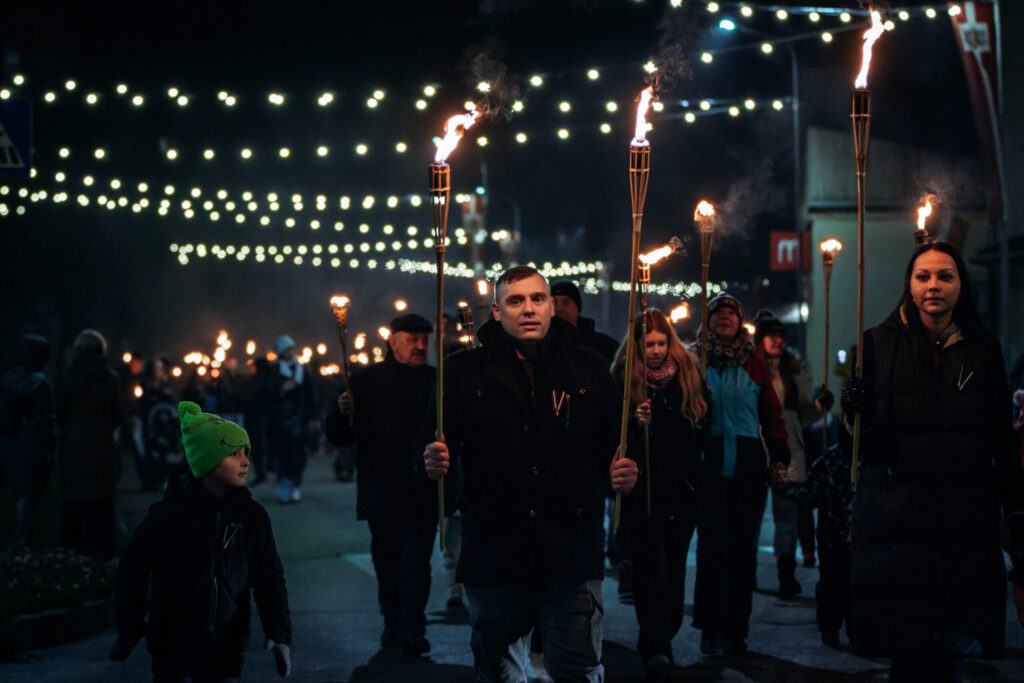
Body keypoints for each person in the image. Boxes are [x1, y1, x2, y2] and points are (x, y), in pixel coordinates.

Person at [422, 265, 638, 682]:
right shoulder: (464, 370)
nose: (528, 309)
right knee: (500, 672)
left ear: (552, 307)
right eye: (515, 300)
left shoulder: (588, 368)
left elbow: (617, 444)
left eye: (537, 299)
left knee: (578, 670)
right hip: (495, 550)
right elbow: (429, 445)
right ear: (496, 311)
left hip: (570, 551)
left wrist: (625, 472)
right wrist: (430, 463)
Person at [842, 242, 1024, 681]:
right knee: (908, 648)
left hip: (962, 519)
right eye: (923, 276)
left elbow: (1001, 437)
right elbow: (858, 447)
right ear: (909, 285)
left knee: (951, 647)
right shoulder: (877, 345)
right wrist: (853, 413)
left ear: (961, 285)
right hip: (898, 521)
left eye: (945, 276)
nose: (933, 285)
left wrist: (1016, 508)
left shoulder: (983, 348)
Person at [109, 401, 291, 681]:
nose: (245, 461)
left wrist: (279, 634)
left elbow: (269, 576)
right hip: (173, 646)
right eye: (233, 453)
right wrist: (129, 628)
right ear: (207, 461)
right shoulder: (168, 516)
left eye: (245, 452)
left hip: (227, 646)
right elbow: (133, 571)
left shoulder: (250, 516)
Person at [324, 312, 438, 656]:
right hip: (382, 488)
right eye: (412, 339)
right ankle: (392, 621)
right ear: (393, 341)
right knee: (387, 561)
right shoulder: (366, 381)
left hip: (421, 490)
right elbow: (342, 437)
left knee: (416, 561)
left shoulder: (436, 381)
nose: (420, 346)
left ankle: (413, 625)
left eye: (424, 340)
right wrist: (343, 412)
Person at [691, 294, 789, 656]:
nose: (725, 317)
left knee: (742, 552)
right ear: (708, 320)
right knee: (712, 548)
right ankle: (711, 628)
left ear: (740, 321)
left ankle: (736, 630)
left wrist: (779, 458)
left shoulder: (753, 363)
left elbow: (772, 415)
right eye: (718, 312)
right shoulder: (694, 360)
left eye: (732, 312)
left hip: (748, 466)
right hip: (710, 464)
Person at [612, 310, 707, 679]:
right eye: (648, 344)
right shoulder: (624, 379)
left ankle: (662, 635)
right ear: (637, 346)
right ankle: (656, 647)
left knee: (674, 569)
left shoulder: (688, 376)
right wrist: (637, 423)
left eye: (661, 343)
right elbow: (615, 434)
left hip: (680, 490)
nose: (655, 350)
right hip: (643, 493)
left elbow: (699, 428)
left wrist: (669, 419)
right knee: (650, 571)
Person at [753, 316, 821, 595]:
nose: (778, 340)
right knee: (752, 515)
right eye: (772, 335)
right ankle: (746, 570)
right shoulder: (751, 370)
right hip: (757, 448)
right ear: (760, 340)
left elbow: (802, 415)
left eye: (781, 336)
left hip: (790, 450)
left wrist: (819, 406)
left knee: (787, 515)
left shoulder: (792, 373)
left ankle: (786, 572)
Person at [774, 437, 853, 647]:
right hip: (846, 540)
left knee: (833, 586)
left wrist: (782, 488)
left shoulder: (830, 460)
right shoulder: (836, 461)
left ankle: (832, 629)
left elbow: (808, 494)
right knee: (844, 586)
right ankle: (843, 630)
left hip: (835, 539)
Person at [57, 329, 122, 559]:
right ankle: (101, 552)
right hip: (102, 449)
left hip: (74, 447)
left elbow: (60, 413)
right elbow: (117, 417)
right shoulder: (112, 378)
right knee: (100, 504)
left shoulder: (67, 377)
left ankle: (73, 552)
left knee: (74, 501)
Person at [0, 334, 56, 550]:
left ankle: (13, 541)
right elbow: (46, 419)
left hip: (7, 441)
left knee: (15, 492)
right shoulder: (40, 383)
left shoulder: (6, 379)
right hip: (30, 446)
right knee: (27, 494)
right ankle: (21, 541)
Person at [267, 335, 315, 503]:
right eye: (287, 349)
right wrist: (281, 390)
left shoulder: (303, 370)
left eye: (291, 349)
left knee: (297, 454)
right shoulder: (274, 371)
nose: (290, 352)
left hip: (299, 419)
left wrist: (313, 415)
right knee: (282, 454)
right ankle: (284, 486)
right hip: (280, 420)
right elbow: (266, 393)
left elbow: (311, 393)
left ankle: (295, 486)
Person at [551, 280, 619, 364]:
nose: (558, 308)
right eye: (554, 303)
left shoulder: (605, 347)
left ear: (577, 309)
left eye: (566, 303)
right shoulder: (542, 347)